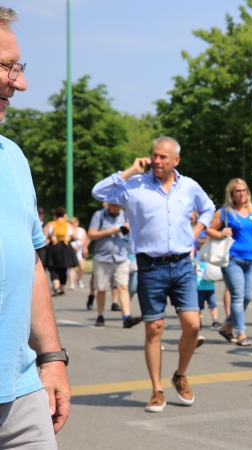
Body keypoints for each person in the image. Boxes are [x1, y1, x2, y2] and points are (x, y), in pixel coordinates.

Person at [92, 136, 215, 413]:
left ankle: (180, 374)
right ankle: (156, 390)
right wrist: (129, 171)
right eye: (154, 156)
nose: (157, 161)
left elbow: (209, 208)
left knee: (193, 326)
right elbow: (98, 193)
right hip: (149, 265)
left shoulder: (189, 186)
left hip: (183, 264)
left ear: (176, 160)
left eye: (163, 157)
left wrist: (196, 234)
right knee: (154, 329)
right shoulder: (134, 186)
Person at [0, 8, 70, 446]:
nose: (20, 82)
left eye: (18, 67)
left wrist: (51, 358)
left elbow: (32, 260)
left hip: (21, 392)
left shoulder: (14, 158)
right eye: (6, 67)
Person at [206, 179, 252, 347]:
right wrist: (221, 233)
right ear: (232, 194)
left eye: (244, 190)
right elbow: (208, 229)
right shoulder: (225, 212)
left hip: (251, 262)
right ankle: (241, 333)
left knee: (248, 296)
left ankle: (227, 326)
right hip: (232, 260)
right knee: (237, 296)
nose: (242, 194)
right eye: (238, 191)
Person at [87, 203, 141, 329]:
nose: (116, 209)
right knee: (101, 288)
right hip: (102, 258)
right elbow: (91, 234)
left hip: (121, 257)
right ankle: (100, 316)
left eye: (118, 207)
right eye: (113, 207)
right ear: (108, 205)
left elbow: (134, 235)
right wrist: (109, 231)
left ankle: (126, 317)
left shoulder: (126, 215)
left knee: (123, 287)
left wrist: (128, 229)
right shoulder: (99, 215)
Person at [43, 207, 79, 296]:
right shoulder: (68, 225)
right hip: (65, 247)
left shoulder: (50, 224)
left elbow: (44, 236)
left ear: (55, 216)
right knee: (64, 268)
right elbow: (75, 237)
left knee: (53, 268)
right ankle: (62, 287)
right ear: (63, 215)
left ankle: (56, 286)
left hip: (53, 247)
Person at [194, 238, 220, 330]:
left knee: (213, 305)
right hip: (199, 288)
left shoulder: (211, 261)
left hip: (210, 287)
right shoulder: (196, 260)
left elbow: (216, 273)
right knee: (198, 307)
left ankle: (215, 321)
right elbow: (193, 272)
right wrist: (194, 267)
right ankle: (198, 321)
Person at [68, 217, 88, 289]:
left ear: (77, 223)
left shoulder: (81, 230)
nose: (72, 224)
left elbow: (84, 239)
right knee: (71, 268)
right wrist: (73, 247)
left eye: (73, 223)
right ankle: (72, 284)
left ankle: (78, 279)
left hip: (79, 250)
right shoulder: (68, 230)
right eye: (71, 223)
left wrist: (79, 246)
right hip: (71, 249)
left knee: (81, 267)